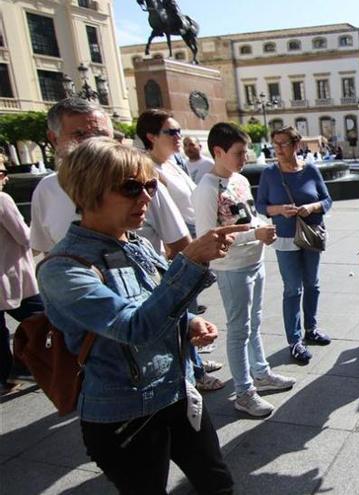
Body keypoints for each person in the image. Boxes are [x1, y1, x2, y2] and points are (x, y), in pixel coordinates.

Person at [37, 138, 238, 494]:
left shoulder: (138, 244)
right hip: (123, 415)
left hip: (177, 391)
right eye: (131, 187)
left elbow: (155, 302)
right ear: (88, 190)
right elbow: (133, 326)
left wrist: (190, 323)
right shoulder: (63, 268)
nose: (146, 197)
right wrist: (190, 260)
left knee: (218, 483)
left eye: (150, 185)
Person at [193, 123, 295, 417]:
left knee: (253, 323)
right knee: (239, 329)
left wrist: (262, 227)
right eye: (239, 152)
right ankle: (244, 391)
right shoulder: (207, 189)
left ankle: (260, 374)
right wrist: (254, 235)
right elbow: (208, 237)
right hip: (232, 267)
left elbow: (249, 216)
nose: (245, 157)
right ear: (218, 151)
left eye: (245, 150)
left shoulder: (236, 179)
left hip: (253, 261)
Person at [30, 99, 191, 258]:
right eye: (80, 134)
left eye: (102, 135)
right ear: (54, 139)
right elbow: (49, 252)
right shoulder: (46, 190)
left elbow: (181, 247)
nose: (94, 143)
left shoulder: (143, 183)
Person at [137, 109, 223, 391]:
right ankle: (194, 372)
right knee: (180, 308)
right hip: (174, 248)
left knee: (190, 309)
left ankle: (194, 359)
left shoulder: (175, 163)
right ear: (151, 136)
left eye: (178, 132)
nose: (179, 138)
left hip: (191, 237)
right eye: (171, 132)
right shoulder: (148, 169)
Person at [255, 126, 333, 364]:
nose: (278, 148)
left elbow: (327, 200)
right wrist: (279, 210)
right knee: (292, 289)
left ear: (297, 144)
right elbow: (260, 206)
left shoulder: (310, 170)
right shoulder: (269, 174)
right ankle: (295, 341)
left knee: (312, 284)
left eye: (283, 143)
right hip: (286, 237)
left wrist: (312, 208)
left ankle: (311, 329)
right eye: (275, 143)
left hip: (311, 234)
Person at [0, 156, 43, 394]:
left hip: (9, 279)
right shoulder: (2, 199)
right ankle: (32, 367)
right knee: (45, 320)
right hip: (11, 277)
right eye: (1, 173)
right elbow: (25, 237)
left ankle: (8, 378)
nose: (5, 178)